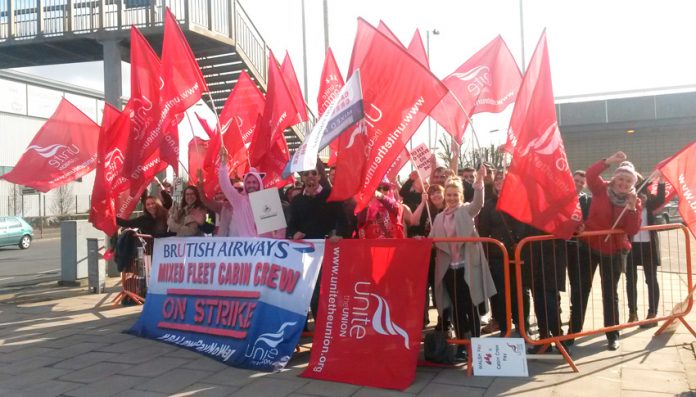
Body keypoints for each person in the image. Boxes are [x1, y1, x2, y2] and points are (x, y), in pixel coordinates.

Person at [577, 151, 643, 351]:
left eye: (628, 180)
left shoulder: (635, 200)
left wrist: (632, 209)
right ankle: (572, 334)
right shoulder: (601, 189)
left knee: (609, 294)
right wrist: (609, 161)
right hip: (589, 246)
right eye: (621, 178)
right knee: (581, 291)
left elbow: (632, 230)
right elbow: (590, 175)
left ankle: (612, 334)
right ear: (615, 178)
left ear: (632, 183)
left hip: (613, 251)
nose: (623, 183)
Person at [429, 169, 496, 353]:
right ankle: (461, 344)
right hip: (448, 269)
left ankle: (476, 344)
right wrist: (421, 241)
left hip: (467, 266)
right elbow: (431, 239)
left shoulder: (466, 210)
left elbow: (478, 203)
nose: (451, 198)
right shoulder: (439, 217)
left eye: (454, 195)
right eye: (448, 195)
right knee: (457, 307)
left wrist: (480, 181)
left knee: (470, 304)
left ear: (460, 195)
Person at [478, 169, 530, 337]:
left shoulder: (519, 200)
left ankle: (523, 325)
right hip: (497, 256)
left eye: (505, 178)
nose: (501, 181)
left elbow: (525, 225)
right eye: (498, 178)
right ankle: (504, 326)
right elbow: (484, 232)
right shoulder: (489, 205)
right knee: (500, 293)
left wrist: (519, 242)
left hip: (518, 254)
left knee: (521, 292)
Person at [626, 172, 665, 327]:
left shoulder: (648, 200)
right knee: (631, 280)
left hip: (648, 244)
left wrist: (661, 181)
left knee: (651, 279)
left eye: (638, 182)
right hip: (631, 245)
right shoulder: (627, 198)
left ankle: (652, 313)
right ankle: (632, 313)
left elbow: (660, 199)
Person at [217, 150, 285, 238]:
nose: (251, 185)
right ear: (245, 185)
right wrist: (223, 165)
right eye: (248, 183)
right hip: (245, 247)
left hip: (263, 248)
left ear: (259, 183)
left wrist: (278, 241)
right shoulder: (239, 201)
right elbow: (225, 185)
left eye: (254, 182)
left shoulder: (267, 200)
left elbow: (280, 228)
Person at [406, 184, 445, 327]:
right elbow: (413, 222)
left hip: (442, 255)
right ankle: (422, 319)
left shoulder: (448, 210)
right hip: (425, 255)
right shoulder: (426, 209)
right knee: (422, 287)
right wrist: (423, 203)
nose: (435, 195)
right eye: (432, 193)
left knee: (439, 290)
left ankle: (443, 320)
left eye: (438, 192)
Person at [567, 170, 593, 343]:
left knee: (579, 289)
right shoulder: (561, 197)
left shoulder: (587, 201)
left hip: (580, 249)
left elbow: (590, 221)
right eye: (575, 180)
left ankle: (574, 327)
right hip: (559, 247)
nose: (577, 183)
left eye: (581, 182)